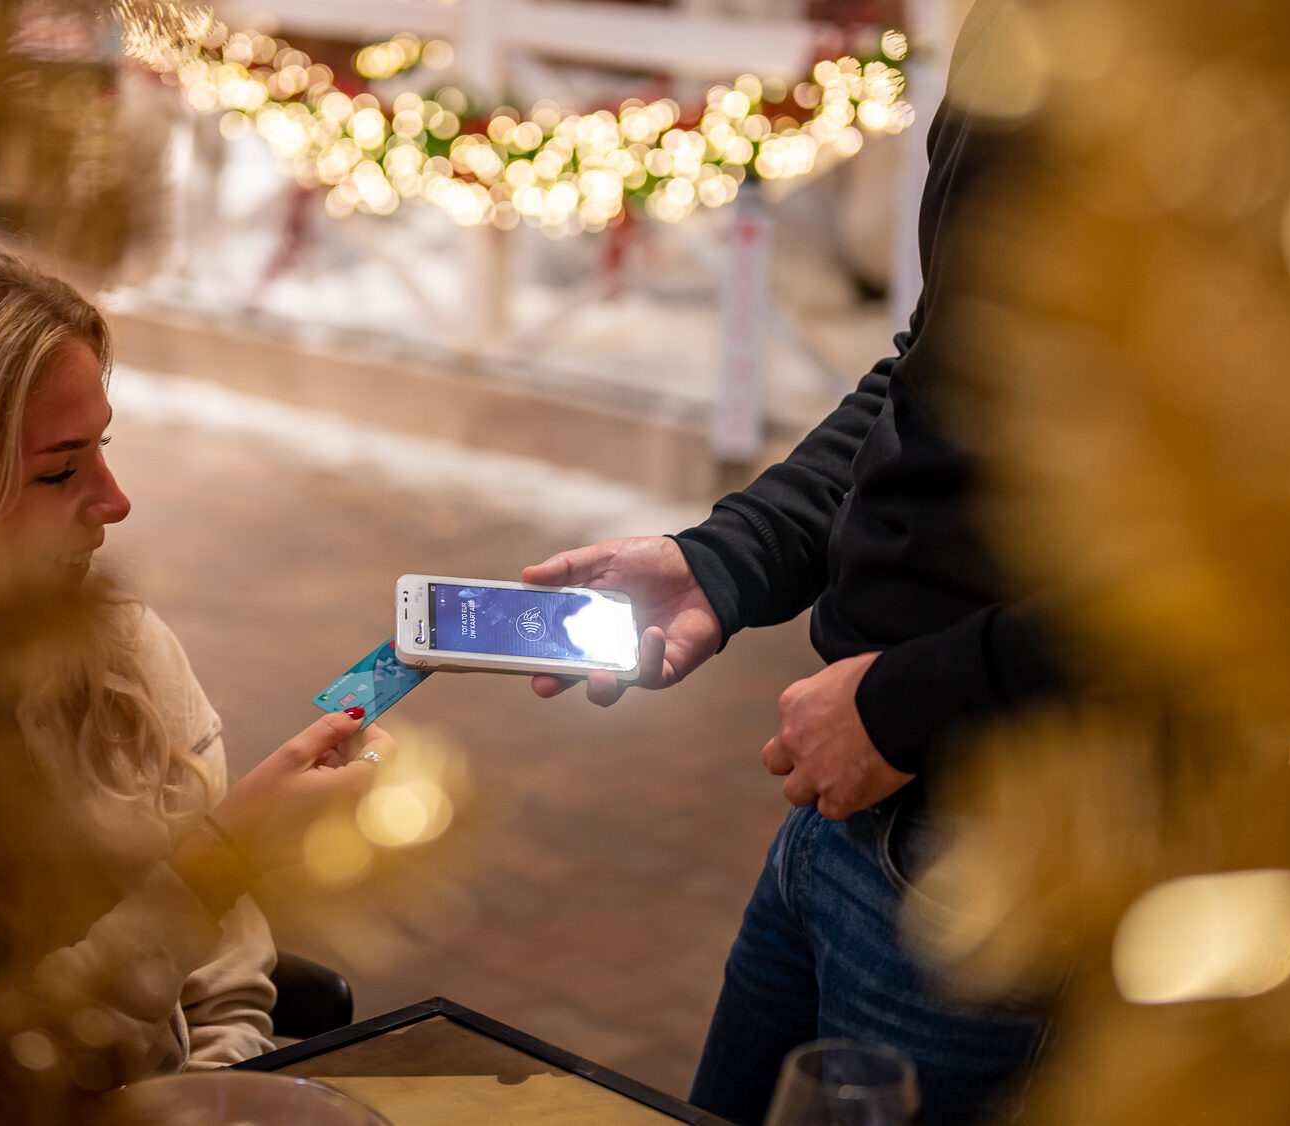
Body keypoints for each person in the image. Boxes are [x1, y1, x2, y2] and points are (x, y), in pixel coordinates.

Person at [524, 5, 1059, 1124]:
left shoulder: (1262, 87)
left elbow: (1269, 561)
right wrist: (725, 561)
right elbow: (934, 364)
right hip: (850, 790)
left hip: (1005, 850)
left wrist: (909, 706)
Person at [0, 238, 385, 1080]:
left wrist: (220, 1101)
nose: (116, 501)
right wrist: (215, 865)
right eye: (58, 471)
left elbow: (227, 985)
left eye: (103, 447)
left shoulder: (116, 646)